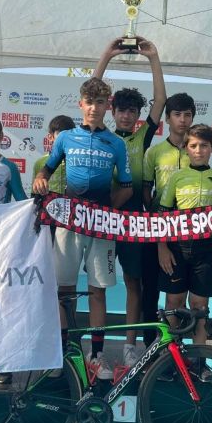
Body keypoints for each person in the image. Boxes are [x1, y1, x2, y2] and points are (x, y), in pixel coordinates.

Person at [32, 77, 132, 380]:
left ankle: (96, 356)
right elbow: (46, 169)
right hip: (68, 224)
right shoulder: (65, 138)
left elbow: (127, 186)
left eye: (100, 103)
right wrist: (40, 179)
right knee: (63, 290)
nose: (94, 108)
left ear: (107, 106)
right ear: (80, 104)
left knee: (97, 291)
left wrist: (105, 213)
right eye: (89, 102)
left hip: (101, 228)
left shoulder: (117, 144)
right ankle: (60, 352)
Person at [93, 36, 166, 367]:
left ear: (138, 115)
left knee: (133, 283)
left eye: (132, 111)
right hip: (103, 218)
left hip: (135, 220)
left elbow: (160, 101)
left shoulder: (141, 136)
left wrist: (153, 58)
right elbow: (92, 93)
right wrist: (106, 55)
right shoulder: (102, 135)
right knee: (98, 286)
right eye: (121, 110)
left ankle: (130, 346)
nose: (126, 115)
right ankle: (97, 349)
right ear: (112, 111)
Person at [157, 124, 212, 380]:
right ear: (186, 148)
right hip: (176, 250)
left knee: (200, 308)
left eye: (204, 146)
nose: (199, 150)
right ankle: (169, 362)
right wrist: (162, 248)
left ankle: (199, 364)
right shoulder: (176, 177)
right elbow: (163, 215)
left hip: (205, 252)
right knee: (174, 304)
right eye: (194, 146)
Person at [141, 92, 195, 352]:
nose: (182, 120)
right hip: (158, 229)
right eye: (177, 114)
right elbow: (145, 190)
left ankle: (178, 348)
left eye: (187, 115)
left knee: (179, 294)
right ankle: (150, 346)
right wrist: (156, 225)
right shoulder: (155, 152)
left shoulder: (197, 151)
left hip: (188, 233)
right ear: (167, 118)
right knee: (151, 289)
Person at [32, 115, 76, 195]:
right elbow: (35, 193)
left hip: (73, 202)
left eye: (68, 135)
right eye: (60, 135)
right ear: (50, 137)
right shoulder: (40, 162)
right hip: (49, 202)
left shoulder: (77, 161)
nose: (64, 139)